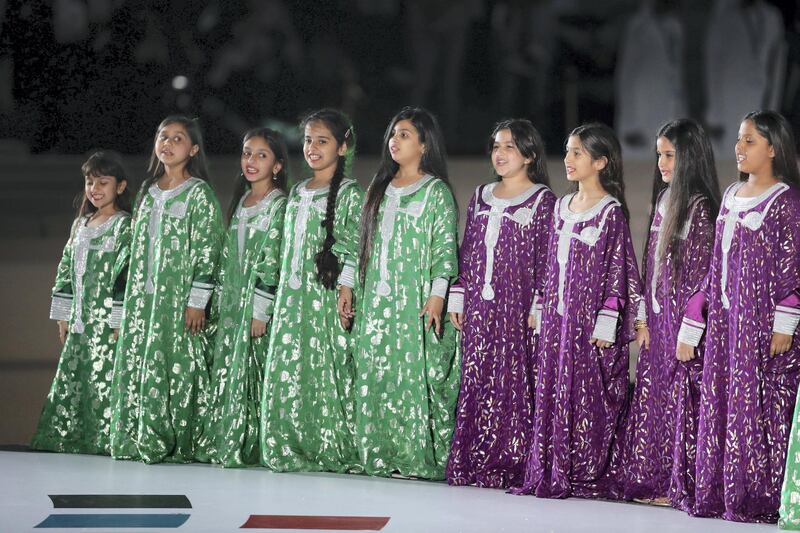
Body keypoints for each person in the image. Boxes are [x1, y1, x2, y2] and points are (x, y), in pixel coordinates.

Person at [677, 111, 800, 523]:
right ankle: (721, 491)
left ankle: (758, 496)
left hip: (761, 325)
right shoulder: (730, 195)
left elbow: (793, 266)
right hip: (727, 325)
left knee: (759, 407)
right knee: (723, 401)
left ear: (773, 148)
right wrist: (698, 318)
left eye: (749, 141)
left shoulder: (787, 201)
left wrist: (785, 322)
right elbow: (717, 264)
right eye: (738, 140)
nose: (739, 148)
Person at [515, 122, 643, 499]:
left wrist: (607, 321)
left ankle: (585, 467)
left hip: (586, 327)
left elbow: (618, 272)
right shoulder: (560, 206)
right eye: (568, 151)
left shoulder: (610, 213)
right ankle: (552, 465)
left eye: (577, 153)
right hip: (555, 322)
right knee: (551, 389)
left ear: (601, 162)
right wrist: (539, 306)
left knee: (587, 395)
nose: (568, 160)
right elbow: (549, 266)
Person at [349, 107, 459, 479]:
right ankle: (378, 453)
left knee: (410, 375)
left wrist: (437, 295)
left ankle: (413, 455)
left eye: (406, 135)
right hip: (375, 302)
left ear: (425, 145)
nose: (395, 141)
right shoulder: (378, 188)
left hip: (415, 303)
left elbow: (445, 250)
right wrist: (349, 285)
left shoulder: (435, 192)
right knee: (375, 372)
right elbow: (357, 245)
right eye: (393, 134)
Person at [445, 119, 556, 488]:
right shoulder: (480, 195)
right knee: (478, 376)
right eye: (496, 146)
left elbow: (548, 260)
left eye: (509, 146)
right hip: (480, 307)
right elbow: (470, 250)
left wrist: (538, 305)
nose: (500, 153)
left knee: (514, 380)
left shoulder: (542, 200)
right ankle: (475, 456)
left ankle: (514, 458)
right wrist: (459, 294)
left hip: (517, 309)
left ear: (529, 154)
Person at [110, 116, 224, 464]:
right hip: (143, 300)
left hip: (177, 302)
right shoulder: (147, 192)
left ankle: (178, 438)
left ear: (192, 150)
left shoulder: (199, 194)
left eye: (178, 139)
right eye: (163, 136)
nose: (168, 143)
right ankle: (139, 434)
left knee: (177, 365)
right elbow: (131, 251)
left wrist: (197, 302)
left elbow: (209, 250)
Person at [622, 119, 720, 510]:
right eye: (659, 154)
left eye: (670, 155)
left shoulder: (700, 209)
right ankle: (655, 477)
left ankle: (682, 481)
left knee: (684, 400)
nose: (662, 163)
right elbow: (651, 268)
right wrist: (643, 319)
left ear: (690, 157)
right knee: (654, 398)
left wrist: (690, 332)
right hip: (658, 327)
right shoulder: (663, 201)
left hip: (683, 332)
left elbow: (702, 281)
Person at [260, 109, 363, 473]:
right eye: (308, 140)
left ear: (343, 146)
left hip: (324, 298)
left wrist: (346, 288)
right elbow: (279, 249)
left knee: (326, 367)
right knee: (292, 366)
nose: (313, 148)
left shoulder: (350, 194)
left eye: (323, 141)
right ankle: (290, 442)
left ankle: (329, 444)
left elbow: (353, 244)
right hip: (292, 301)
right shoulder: (298, 192)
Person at [197, 128, 288, 467]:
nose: (251, 161)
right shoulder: (241, 202)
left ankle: (256, 443)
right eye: (247, 153)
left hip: (257, 308)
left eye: (261, 155)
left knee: (256, 371)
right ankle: (230, 437)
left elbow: (273, 259)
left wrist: (260, 310)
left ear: (277, 165)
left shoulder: (279, 205)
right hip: (232, 308)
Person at [31, 151, 132, 455]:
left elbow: (124, 276)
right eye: (90, 182)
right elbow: (65, 269)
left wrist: (118, 319)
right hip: (79, 321)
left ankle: (104, 440)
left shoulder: (124, 226)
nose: (95, 189)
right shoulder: (81, 225)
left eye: (103, 182)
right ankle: (70, 437)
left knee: (106, 378)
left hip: (107, 323)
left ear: (121, 187)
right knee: (76, 378)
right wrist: (63, 315)